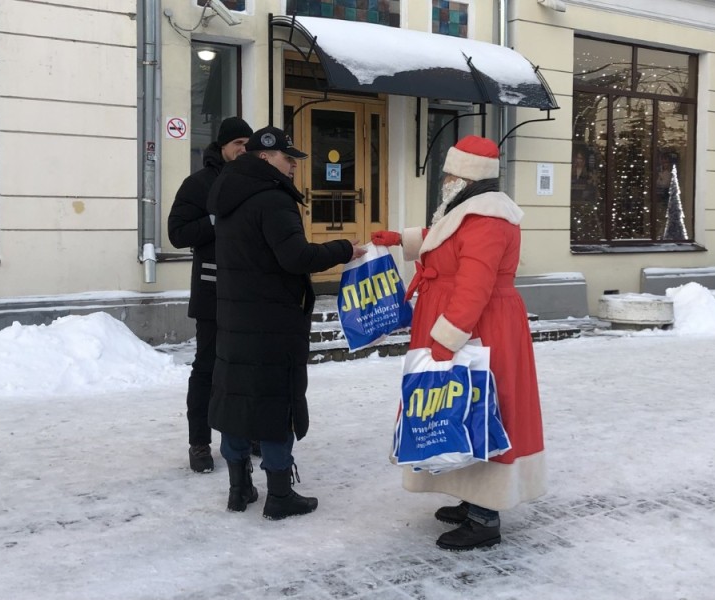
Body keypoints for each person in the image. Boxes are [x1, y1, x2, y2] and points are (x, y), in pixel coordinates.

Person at [372, 135, 546, 551]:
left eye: (451, 172)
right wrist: (402, 240)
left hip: (481, 325)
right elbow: (445, 236)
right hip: (469, 321)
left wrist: (448, 338)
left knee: (484, 408)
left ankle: (486, 515)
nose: (445, 177)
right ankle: (472, 498)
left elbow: (475, 285)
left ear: (467, 175)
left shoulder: (488, 218)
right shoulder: (471, 210)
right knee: (459, 406)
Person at [206, 125, 367, 519]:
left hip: (235, 316)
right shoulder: (273, 200)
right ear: (264, 158)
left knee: (238, 400)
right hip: (272, 318)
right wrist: (344, 248)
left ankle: (238, 488)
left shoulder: (229, 196)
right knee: (275, 402)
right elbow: (295, 257)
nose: (293, 165)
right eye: (286, 157)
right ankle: (279, 495)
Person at [167, 116, 252, 473]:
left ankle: (251, 434)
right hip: (212, 291)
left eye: (249, 145)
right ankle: (199, 443)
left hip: (250, 293)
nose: (244, 151)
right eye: (238, 145)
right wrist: (216, 222)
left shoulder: (254, 183)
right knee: (207, 368)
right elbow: (177, 233)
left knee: (248, 369)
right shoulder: (199, 184)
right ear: (223, 146)